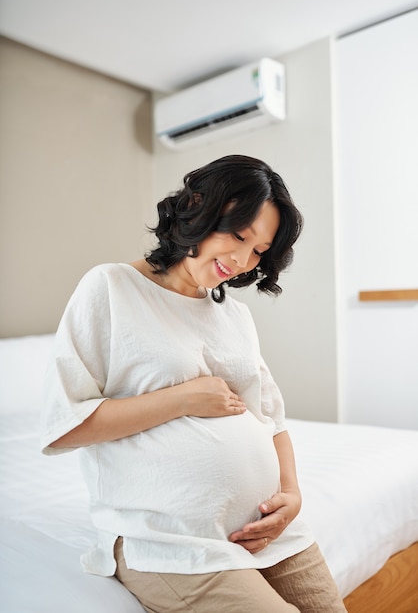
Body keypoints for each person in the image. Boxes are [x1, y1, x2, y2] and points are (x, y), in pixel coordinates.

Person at [41, 155, 347, 612]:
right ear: (198, 209)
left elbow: (271, 418)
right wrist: (181, 399)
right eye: (239, 235)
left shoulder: (234, 316)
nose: (243, 260)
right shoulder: (111, 287)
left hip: (268, 533)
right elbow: (65, 425)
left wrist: (292, 494)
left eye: (259, 251)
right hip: (171, 542)